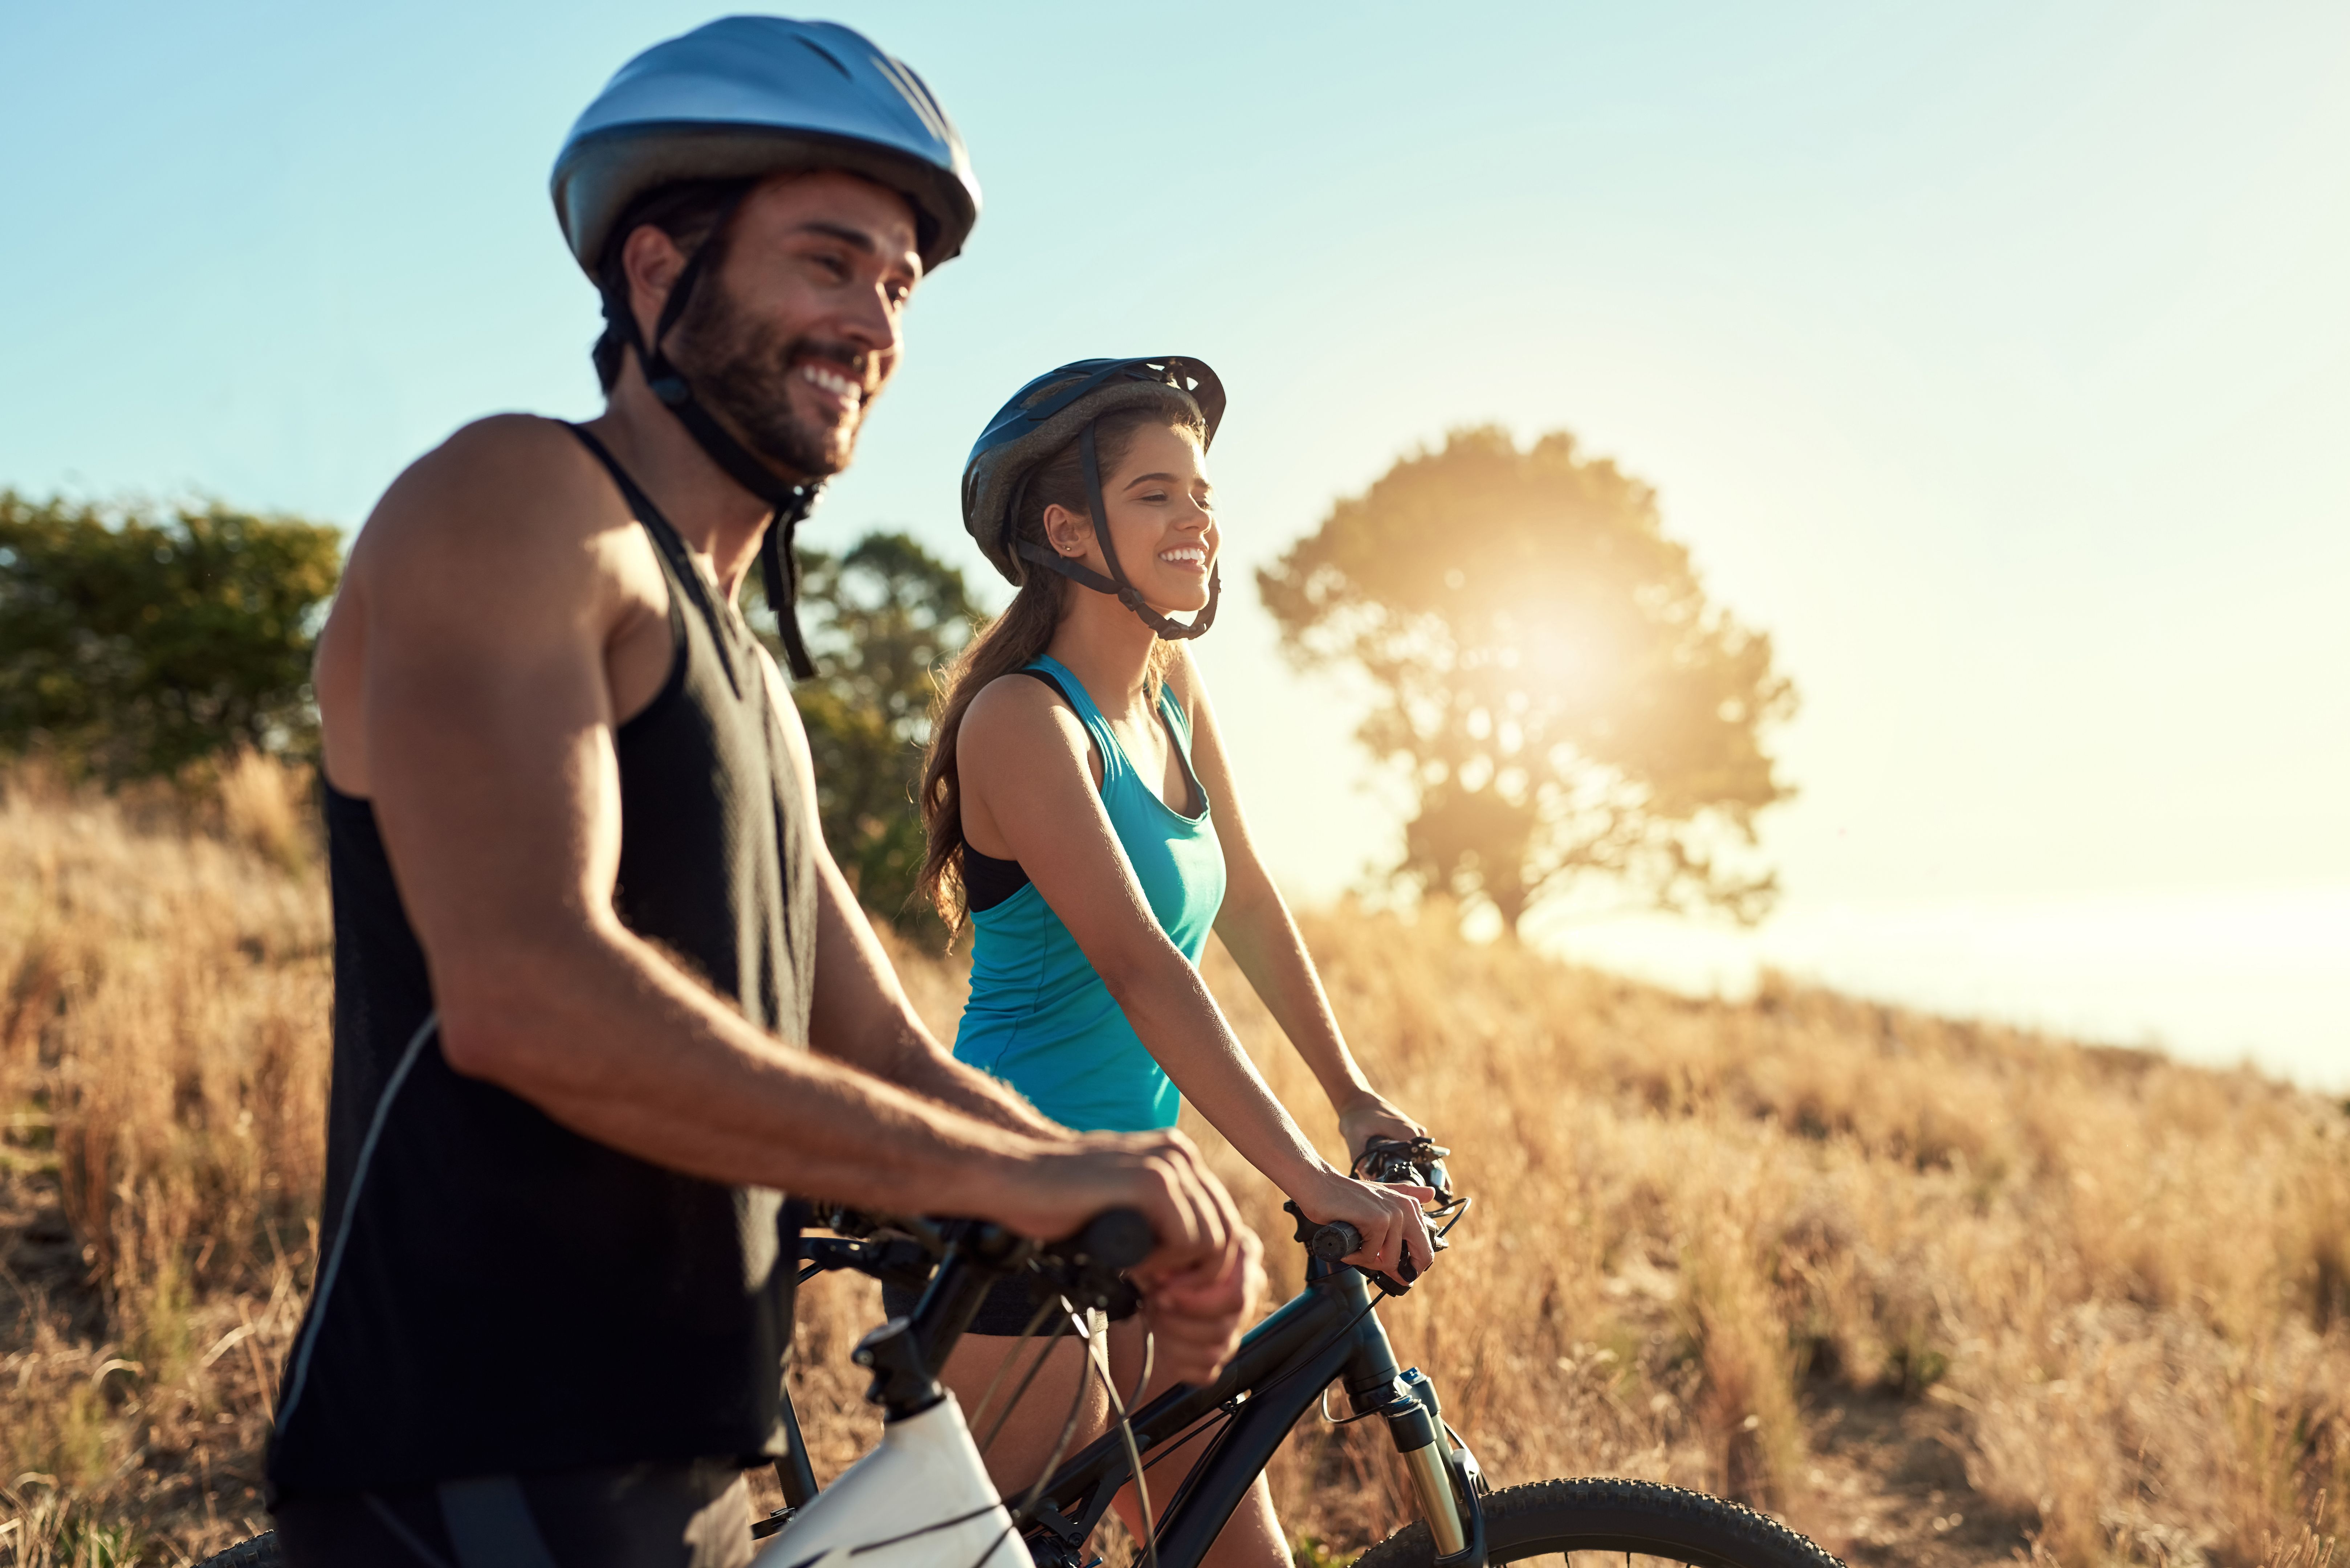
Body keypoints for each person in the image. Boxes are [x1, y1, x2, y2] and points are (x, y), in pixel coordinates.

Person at [264, 25, 1257, 1568]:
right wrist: (1015, 1173)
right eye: (826, 261)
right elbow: (530, 994)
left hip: (680, 1461)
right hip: (470, 1468)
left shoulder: (732, 662)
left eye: (899, 287)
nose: (871, 320)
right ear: (658, 271)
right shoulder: (518, 504)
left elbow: (867, 1042)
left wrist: (1119, 1204)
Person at [908, 358, 1438, 1566]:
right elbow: (1146, 968)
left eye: (1200, 491)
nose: (1197, 518)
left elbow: (1244, 900)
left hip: (1144, 1213)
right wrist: (1313, 1182)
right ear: (1064, 528)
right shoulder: (1023, 723)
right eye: (1156, 493)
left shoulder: (1171, 687)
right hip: (1012, 1209)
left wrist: (1354, 1103)